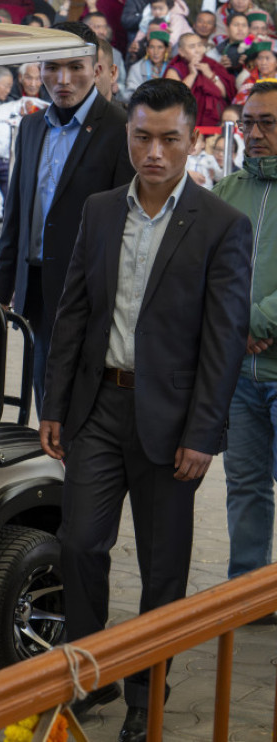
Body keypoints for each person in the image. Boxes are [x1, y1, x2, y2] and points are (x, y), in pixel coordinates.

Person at [41, 78, 252, 742]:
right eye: (142, 137)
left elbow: (223, 339)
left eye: (168, 139)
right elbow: (73, 310)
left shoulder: (222, 225)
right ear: (127, 136)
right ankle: (90, 674)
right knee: (80, 543)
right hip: (97, 407)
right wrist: (54, 403)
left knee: (163, 568)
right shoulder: (101, 210)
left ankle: (145, 694)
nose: (154, 153)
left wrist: (205, 432)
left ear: (192, 140)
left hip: (172, 422)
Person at [0, 21, 135, 415]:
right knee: (46, 389)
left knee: (85, 398)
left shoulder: (121, 129)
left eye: (75, 67)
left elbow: (128, 222)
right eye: (52, 67)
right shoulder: (30, 127)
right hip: (37, 285)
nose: (63, 79)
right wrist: (2, 290)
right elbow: (16, 213)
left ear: (97, 69)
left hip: (91, 290)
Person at [213, 82, 277, 586]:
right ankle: (247, 592)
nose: (254, 133)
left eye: (267, 123)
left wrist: (253, 321)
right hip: (237, 373)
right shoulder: (226, 191)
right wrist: (237, 325)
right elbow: (205, 269)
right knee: (245, 485)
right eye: (248, 123)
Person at [166, 33, 235, 128]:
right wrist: (192, 74)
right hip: (185, 120)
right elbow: (175, 97)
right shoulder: (175, 69)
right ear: (181, 52)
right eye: (192, 47)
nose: (197, 50)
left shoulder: (211, 65)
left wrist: (209, 74)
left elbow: (224, 93)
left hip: (214, 121)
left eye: (199, 45)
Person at [126, 26, 171, 99]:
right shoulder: (136, 69)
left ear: (166, 49)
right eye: (152, 47)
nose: (155, 52)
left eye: (160, 47)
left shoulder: (172, 68)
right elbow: (129, 96)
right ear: (147, 49)